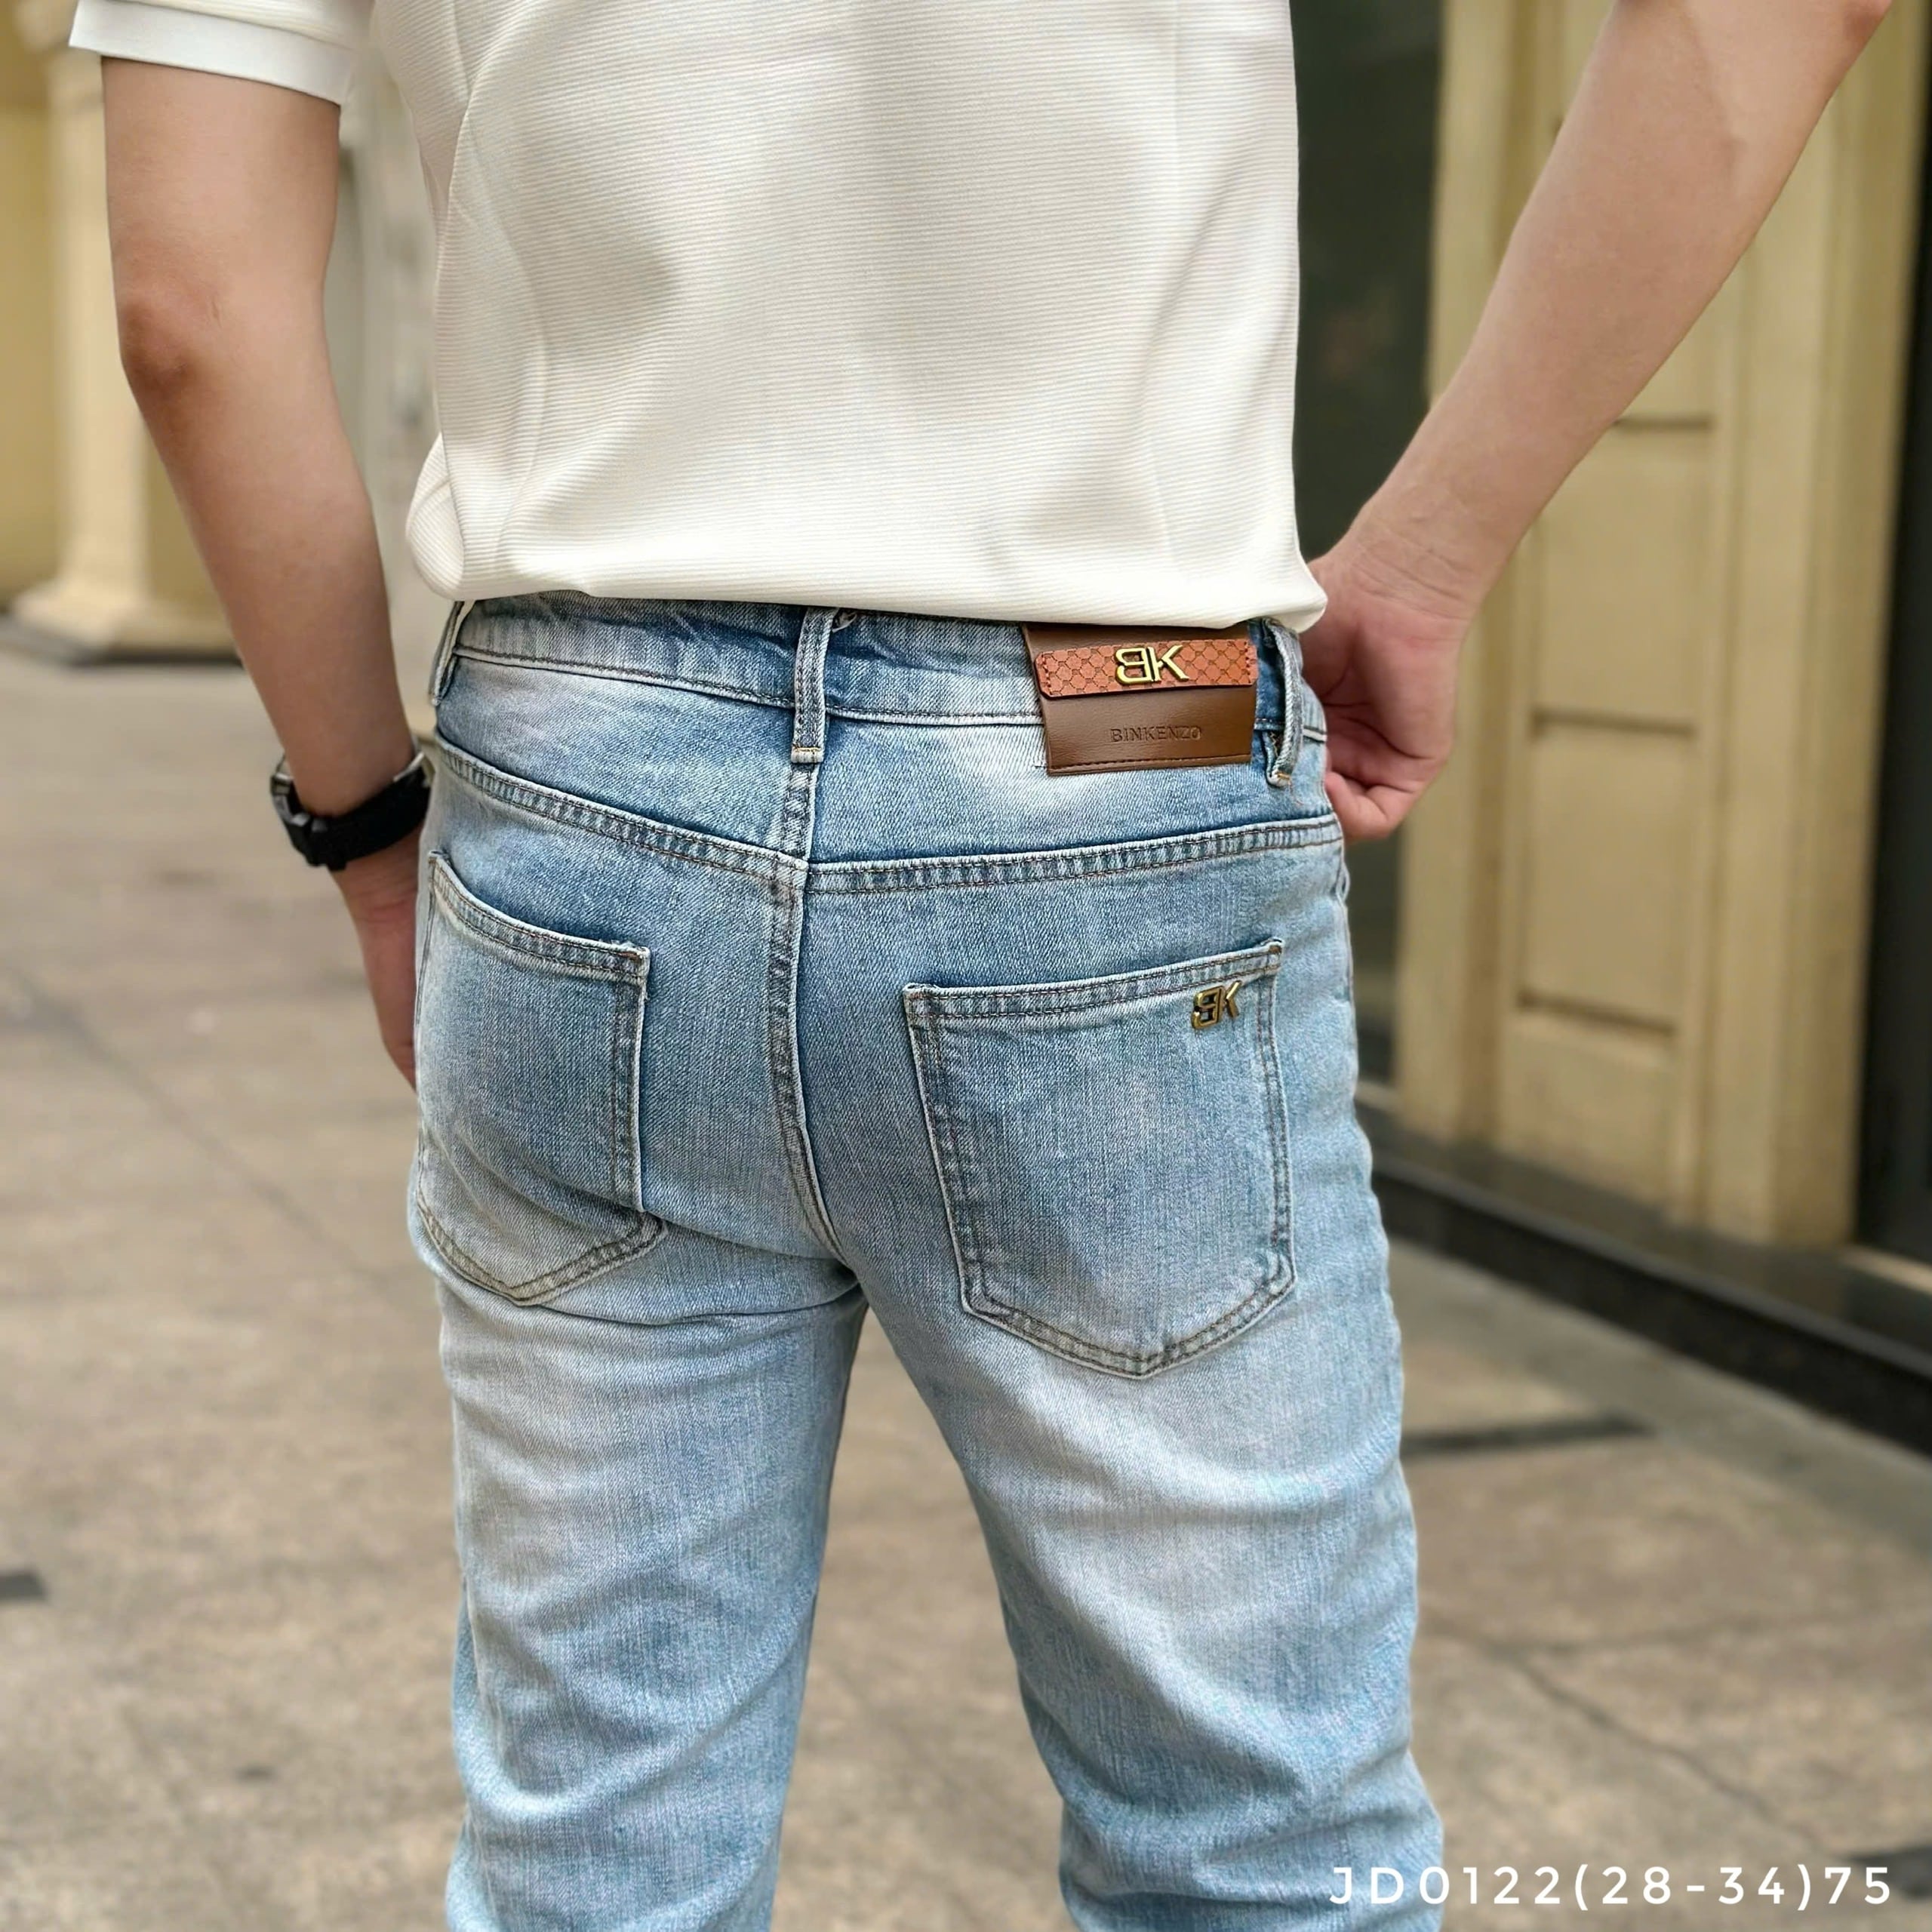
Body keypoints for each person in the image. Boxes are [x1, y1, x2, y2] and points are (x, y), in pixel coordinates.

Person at [73, 0, 1890, 1923]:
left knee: (594, 1835)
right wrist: (1427, 559)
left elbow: (191, 313)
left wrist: (373, 845)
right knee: (1254, 1836)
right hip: (1115, 720)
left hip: (587, 764)